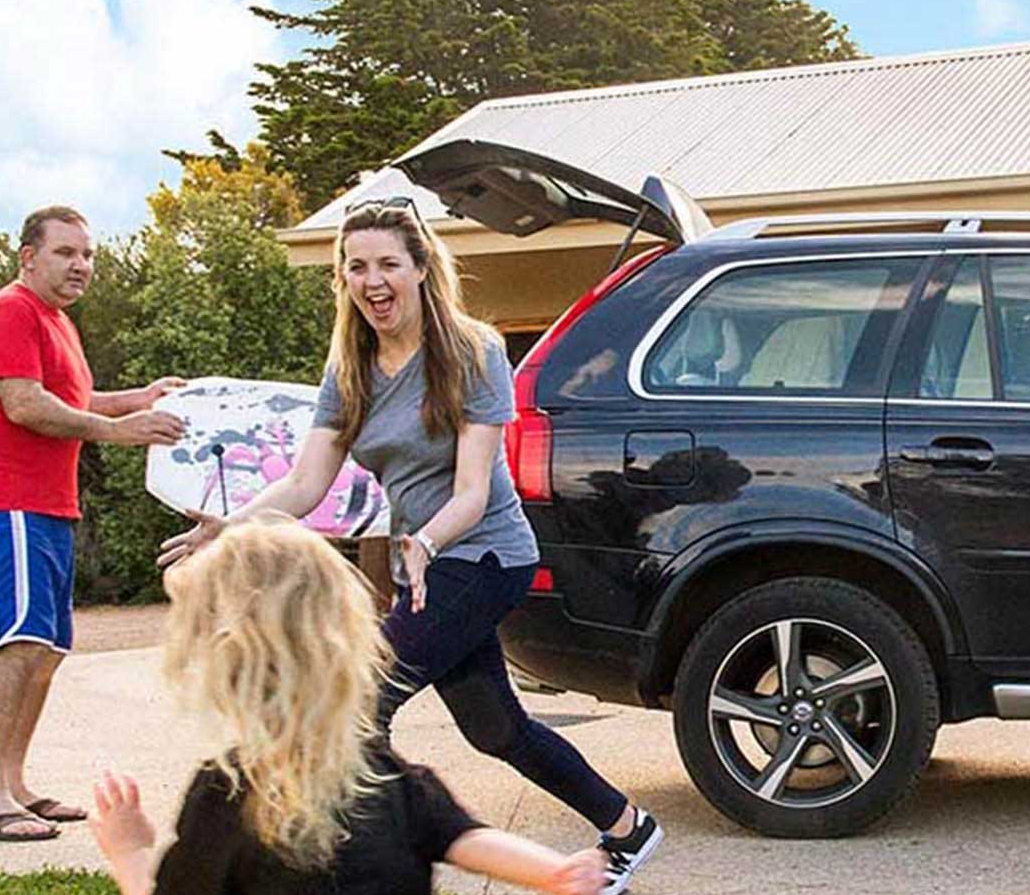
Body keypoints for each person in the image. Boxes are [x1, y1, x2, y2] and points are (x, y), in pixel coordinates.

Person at [159, 199, 661, 893]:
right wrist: (232, 525)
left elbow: (474, 493)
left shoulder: (472, 350)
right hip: (426, 566)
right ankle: (628, 826)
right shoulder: (351, 369)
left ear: (421, 268)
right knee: (496, 729)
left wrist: (422, 541)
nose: (373, 280)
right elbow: (306, 483)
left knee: (360, 704)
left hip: (483, 556)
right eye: (357, 267)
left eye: (389, 263)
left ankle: (344, 863)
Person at [90, 515, 608, 895]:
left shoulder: (225, 796)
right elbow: (462, 838)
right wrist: (551, 871)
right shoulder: (385, 776)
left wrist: (129, 852)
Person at [0, 205, 187, 842]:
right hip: (2, 501)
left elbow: (71, 401)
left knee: (46, 651)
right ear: (29, 256)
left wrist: (138, 399)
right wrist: (117, 430)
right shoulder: (9, 312)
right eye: (65, 253)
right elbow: (24, 405)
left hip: (47, 506)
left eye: (86, 256)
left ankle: (13, 784)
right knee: (18, 643)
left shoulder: (56, 323)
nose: (80, 265)